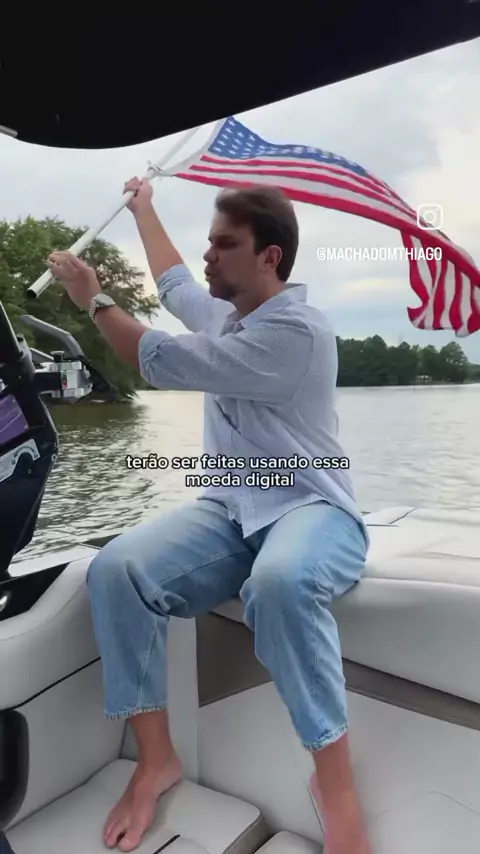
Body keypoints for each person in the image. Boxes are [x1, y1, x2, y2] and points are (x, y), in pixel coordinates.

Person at [48, 177, 371, 854]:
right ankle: (156, 761)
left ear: (270, 257)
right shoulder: (228, 313)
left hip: (312, 505)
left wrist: (93, 297)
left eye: (225, 244)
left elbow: (157, 357)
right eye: (209, 241)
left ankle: (336, 789)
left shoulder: (295, 332)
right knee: (117, 569)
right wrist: (143, 208)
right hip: (231, 508)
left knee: (280, 583)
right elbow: (172, 284)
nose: (208, 255)